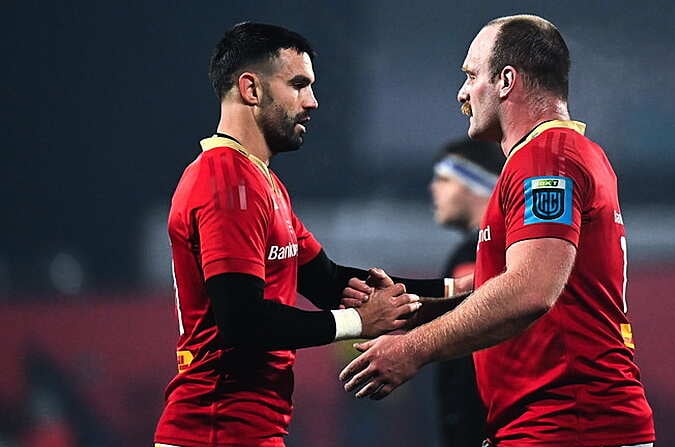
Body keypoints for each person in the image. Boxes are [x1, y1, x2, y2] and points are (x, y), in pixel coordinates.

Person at [340, 15, 656, 447]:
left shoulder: (547, 159)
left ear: (507, 80)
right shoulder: (563, 154)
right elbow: (522, 285)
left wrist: (412, 349)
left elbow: (531, 290)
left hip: (570, 424)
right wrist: (416, 309)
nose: (462, 93)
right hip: (562, 423)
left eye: (471, 75)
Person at [153, 22, 456, 447]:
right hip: (215, 429)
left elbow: (332, 282)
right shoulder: (226, 181)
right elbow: (242, 321)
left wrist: (465, 288)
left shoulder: (262, 183)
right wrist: (359, 323)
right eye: (298, 85)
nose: (312, 102)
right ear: (251, 90)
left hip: (244, 431)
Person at [430, 139, 502, 447]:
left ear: (478, 185)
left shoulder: (475, 253)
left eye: (444, 180)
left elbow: (467, 351)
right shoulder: (510, 247)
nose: (434, 189)